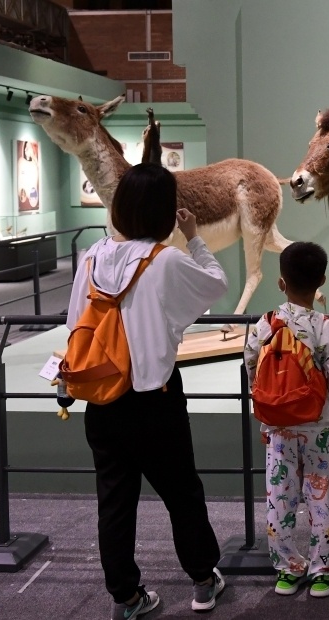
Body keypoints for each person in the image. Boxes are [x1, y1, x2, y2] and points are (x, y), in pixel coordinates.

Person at [67, 163, 229, 619]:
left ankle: (126, 597)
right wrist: (194, 237)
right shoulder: (167, 261)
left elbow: (73, 323)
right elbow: (216, 284)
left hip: (101, 397)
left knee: (115, 502)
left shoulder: (91, 258)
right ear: (165, 211)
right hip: (152, 397)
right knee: (181, 492)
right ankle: (202, 582)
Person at [244, 241, 329, 598]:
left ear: (280, 283)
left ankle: (289, 569)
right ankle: (322, 570)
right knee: (322, 496)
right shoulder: (326, 328)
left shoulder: (264, 325)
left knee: (280, 496)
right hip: (318, 427)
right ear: (321, 280)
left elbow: (251, 368)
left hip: (278, 428)